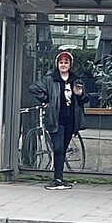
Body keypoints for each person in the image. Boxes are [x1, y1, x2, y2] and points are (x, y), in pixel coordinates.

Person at [29, 50, 88, 190]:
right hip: (55, 119)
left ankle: (59, 178)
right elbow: (34, 88)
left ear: (70, 64)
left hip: (70, 120)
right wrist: (46, 99)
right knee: (58, 147)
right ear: (57, 64)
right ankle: (57, 178)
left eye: (66, 62)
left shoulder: (76, 79)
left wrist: (80, 94)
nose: (63, 65)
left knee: (63, 149)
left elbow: (85, 99)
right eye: (61, 62)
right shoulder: (50, 79)